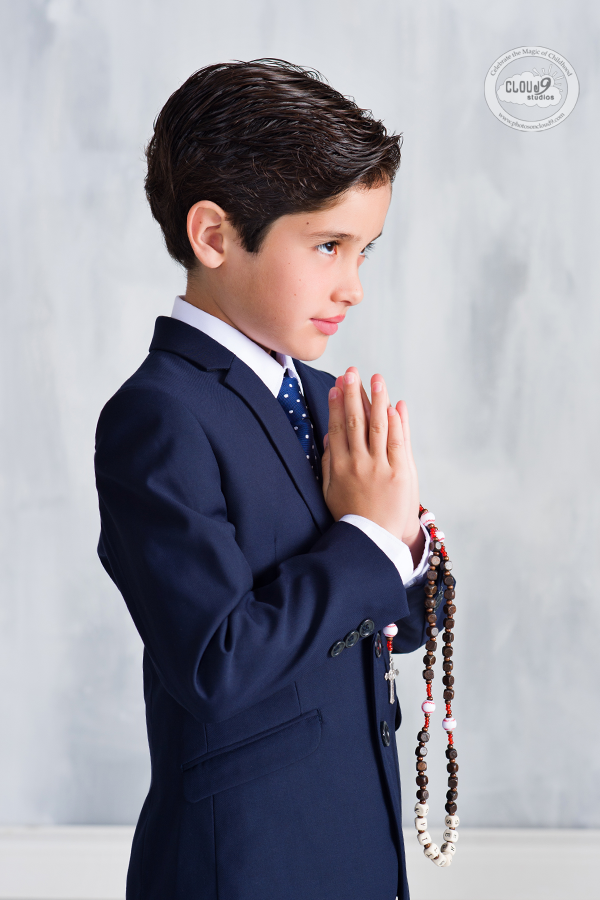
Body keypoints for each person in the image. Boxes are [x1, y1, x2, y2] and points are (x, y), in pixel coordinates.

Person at [94, 58, 445, 900]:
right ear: (214, 235)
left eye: (365, 251)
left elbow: (395, 627)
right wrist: (366, 538)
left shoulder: (327, 399)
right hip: (244, 862)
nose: (353, 286)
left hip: (358, 836)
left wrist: (404, 545)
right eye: (328, 245)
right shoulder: (158, 415)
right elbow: (216, 664)